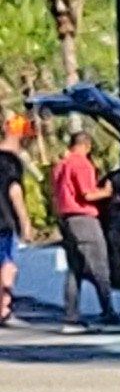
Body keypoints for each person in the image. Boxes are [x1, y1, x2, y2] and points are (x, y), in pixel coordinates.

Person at [49, 130, 113, 330]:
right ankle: (108, 310)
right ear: (87, 146)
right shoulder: (82, 164)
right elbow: (87, 194)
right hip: (84, 219)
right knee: (100, 267)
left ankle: (71, 314)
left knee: (75, 268)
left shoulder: (60, 166)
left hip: (66, 219)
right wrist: (106, 192)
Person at [0, 124, 27, 329]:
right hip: (3, 221)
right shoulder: (10, 161)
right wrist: (25, 221)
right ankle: (4, 307)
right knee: (7, 265)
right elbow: (14, 191)